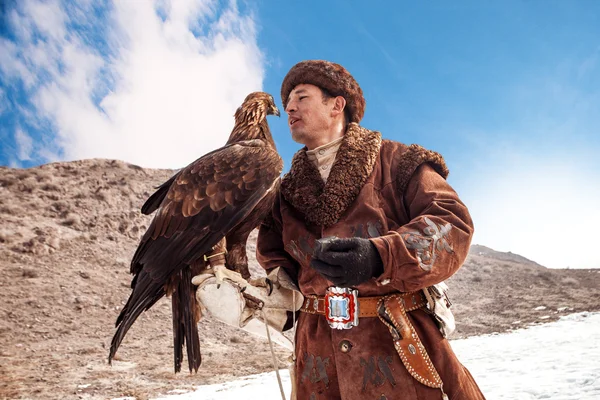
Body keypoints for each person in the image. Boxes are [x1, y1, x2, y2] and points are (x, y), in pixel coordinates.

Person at [256, 60, 486, 400]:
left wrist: (380, 257)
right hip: (317, 365)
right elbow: (275, 260)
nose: (289, 106)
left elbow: (452, 222)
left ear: (337, 105)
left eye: (301, 97)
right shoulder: (282, 194)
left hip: (400, 345)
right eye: (288, 100)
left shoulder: (398, 161)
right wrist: (265, 293)